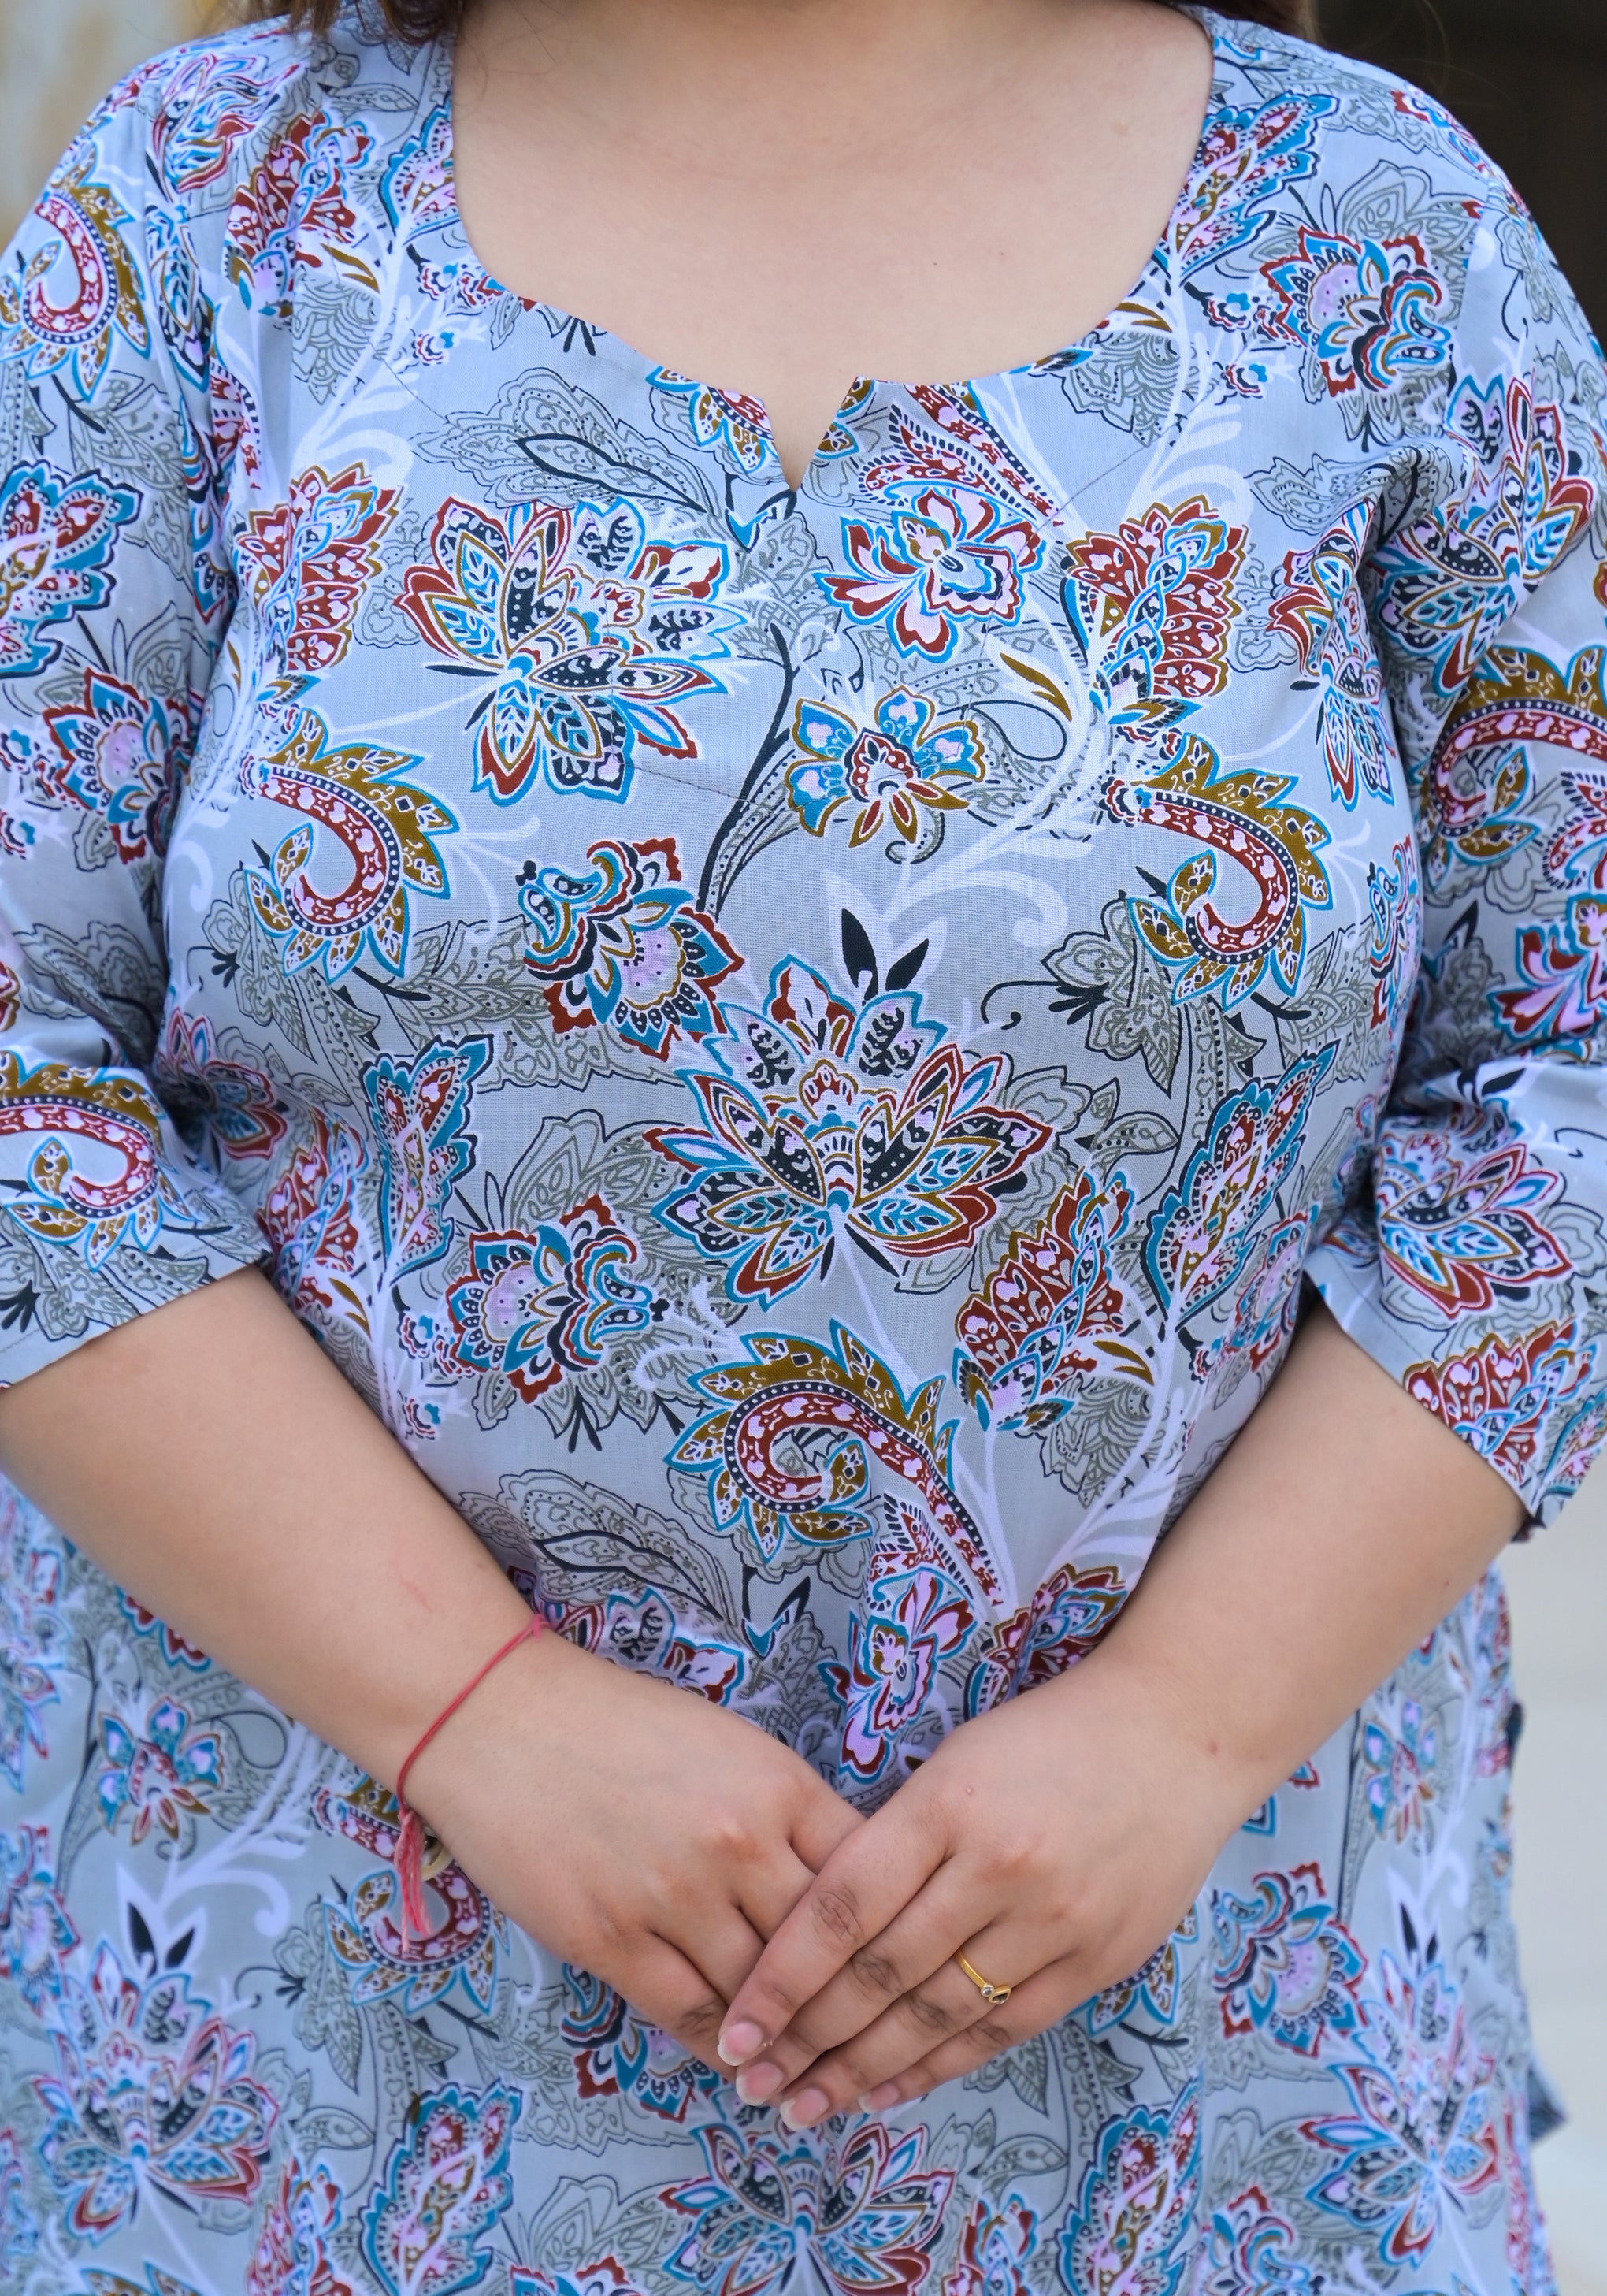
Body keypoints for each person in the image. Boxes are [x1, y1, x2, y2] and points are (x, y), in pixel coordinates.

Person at [0, 0, 1598, 2282]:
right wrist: (476, 1715)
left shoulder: (1383, 231)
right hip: (318, 2046)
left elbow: (1565, 1063)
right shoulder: (202, 208)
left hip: (1217, 2048)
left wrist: (1186, 1724)